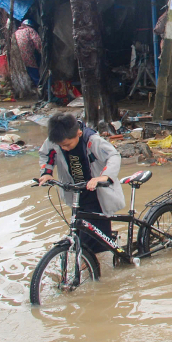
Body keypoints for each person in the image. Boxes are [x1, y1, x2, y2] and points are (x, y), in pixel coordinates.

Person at [38, 113, 124, 253]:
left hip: (96, 191)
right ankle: (87, 261)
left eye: (67, 145)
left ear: (78, 133)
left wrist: (104, 177)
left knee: (95, 233)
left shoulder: (91, 140)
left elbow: (113, 156)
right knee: (79, 226)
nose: (64, 148)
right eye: (61, 146)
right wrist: (47, 173)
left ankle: (92, 262)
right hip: (76, 190)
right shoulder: (56, 139)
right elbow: (46, 154)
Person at [14, 19, 42, 86]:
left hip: (16, 58)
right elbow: (38, 43)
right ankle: (39, 86)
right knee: (33, 70)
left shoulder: (16, 32)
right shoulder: (30, 30)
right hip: (27, 57)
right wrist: (42, 53)